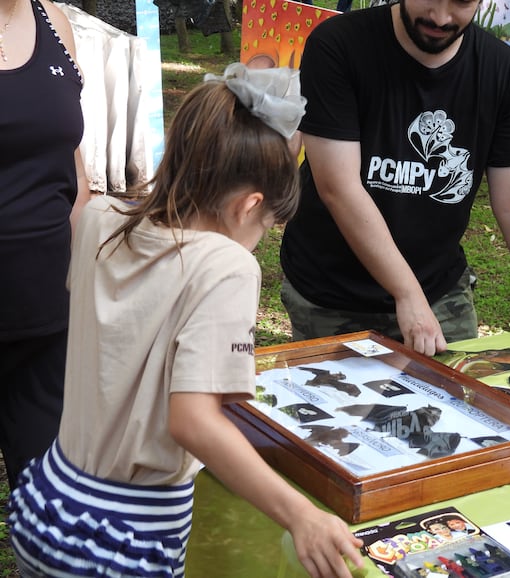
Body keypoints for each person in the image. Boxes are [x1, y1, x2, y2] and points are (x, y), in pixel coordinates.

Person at [8, 64, 363, 578]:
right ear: (250, 205)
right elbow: (192, 421)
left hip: (46, 503)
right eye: (265, 225)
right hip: (124, 538)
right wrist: (302, 515)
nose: (259, 238)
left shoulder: (99, 220)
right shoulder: (226, 266)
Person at [279, 0, 510, 357]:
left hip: (438, 289)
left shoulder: (503, 72)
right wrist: (407, 294)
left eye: (461, 1)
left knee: (461, 404)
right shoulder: (338, 44)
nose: (440, 17)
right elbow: (338, 187)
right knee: (343, 410)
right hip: (332, 292)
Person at [0, 0, 90, 490]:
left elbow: (74, 170)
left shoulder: (52, 21)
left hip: (49, 321)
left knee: (49, 497)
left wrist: (88, 285)